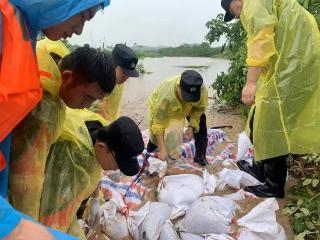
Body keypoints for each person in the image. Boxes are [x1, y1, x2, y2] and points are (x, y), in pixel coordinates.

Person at [0, 0, 111, 239]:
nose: (79, 30)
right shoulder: (4, 26)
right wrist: (14, 225)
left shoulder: (25, 35)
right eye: (83, 15)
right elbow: (27, 176)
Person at [221, 0, 320, 198]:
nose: (238, 17)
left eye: (234, 11)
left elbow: (261, 38)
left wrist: (251, 83)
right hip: (287, 65)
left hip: (293, 66)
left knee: (271, 124)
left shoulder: (254, 3)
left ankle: (273, 186)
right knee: (259, 117)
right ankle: (260, 169)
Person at [9, 43, 116, 221]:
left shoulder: (51, 60)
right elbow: (26, 180)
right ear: (67, 77)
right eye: (88, 97)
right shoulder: (45, 111)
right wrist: (28, 226)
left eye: (94, 100)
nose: (87, 106)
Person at [38, 109, 144, 239]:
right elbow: (53, 213)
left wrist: (94, 199)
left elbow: (94, 171)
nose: (116, 169)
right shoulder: (72, 159)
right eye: (117, 164)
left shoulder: (101, 128)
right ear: (101, 147)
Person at [147, 70, 208, 166]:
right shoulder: (166, 97)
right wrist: (163, 150)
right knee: (156, 136)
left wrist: (191, 126)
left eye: (192, 97)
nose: (188, 101)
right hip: (165, 107)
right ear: (179, 87)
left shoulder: (201, 90)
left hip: (189, 109)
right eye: (186, 96)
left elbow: (198, 109)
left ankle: (200, 157)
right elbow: (159, 123)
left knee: (201, 124)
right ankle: (152, 152)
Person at [91, 43, 140, 122]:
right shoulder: (99, 83)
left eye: (129, 74)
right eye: (124, 73)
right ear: (113, 65)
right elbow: (93, 112)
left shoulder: (119, 82)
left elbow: (114, 107)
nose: (126, 78)